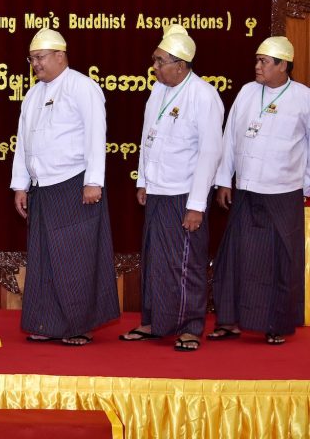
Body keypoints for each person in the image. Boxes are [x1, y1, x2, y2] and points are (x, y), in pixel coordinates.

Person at [11, 28, 119, 347]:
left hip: (75, 184)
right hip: (42, 188)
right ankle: (48, 322)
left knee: (75, 258)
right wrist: (20, 185)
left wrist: (93, 182)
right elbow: (23, 144)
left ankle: (78, 326)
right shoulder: (33, 95)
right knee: (44, 257)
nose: (35, 65)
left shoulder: (82, 87)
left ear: (61, 56)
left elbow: (96, 136)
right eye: (31, 59)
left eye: (40, 58)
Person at [120, 25, 224, 352]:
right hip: (158, 192)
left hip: (184, 195)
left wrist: (196, 205)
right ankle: (153, 322)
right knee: (155, 261)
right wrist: (143, 181)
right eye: (154, 60)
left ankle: (191, 327)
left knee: (186, 263)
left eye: (159, 61)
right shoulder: (159, 92)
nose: (154, 66)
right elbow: (146, 138)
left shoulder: (204, 95)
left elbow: (210, 153)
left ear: (180, 64)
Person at [209, 36, 310, 345]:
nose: (257, 66)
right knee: (235, 256)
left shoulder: (303, 97)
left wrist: (307, 187)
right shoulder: (247, 92)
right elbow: (229, 137)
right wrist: (225, 179)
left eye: (264, 61)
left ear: (283, 66)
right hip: (247, 189)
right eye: (257, 60)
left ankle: (276, 325)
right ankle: (229, 321)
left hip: (283, 191)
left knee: (281, 260)